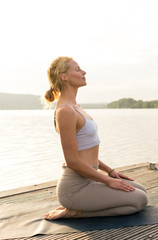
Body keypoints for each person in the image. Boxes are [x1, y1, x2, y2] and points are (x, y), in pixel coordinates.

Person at [43, 56, 148, 220]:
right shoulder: (65, 112)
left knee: (140, 190)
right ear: (63, 76)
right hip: (75, 188)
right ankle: (74, 211)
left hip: (90, 178)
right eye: (77, 70)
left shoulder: (76, 107)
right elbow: (72, 161)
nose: (83, 72)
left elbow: (86, 152)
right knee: (138, 201)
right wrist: (107, 181)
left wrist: (111, 172)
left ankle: (78, 207)